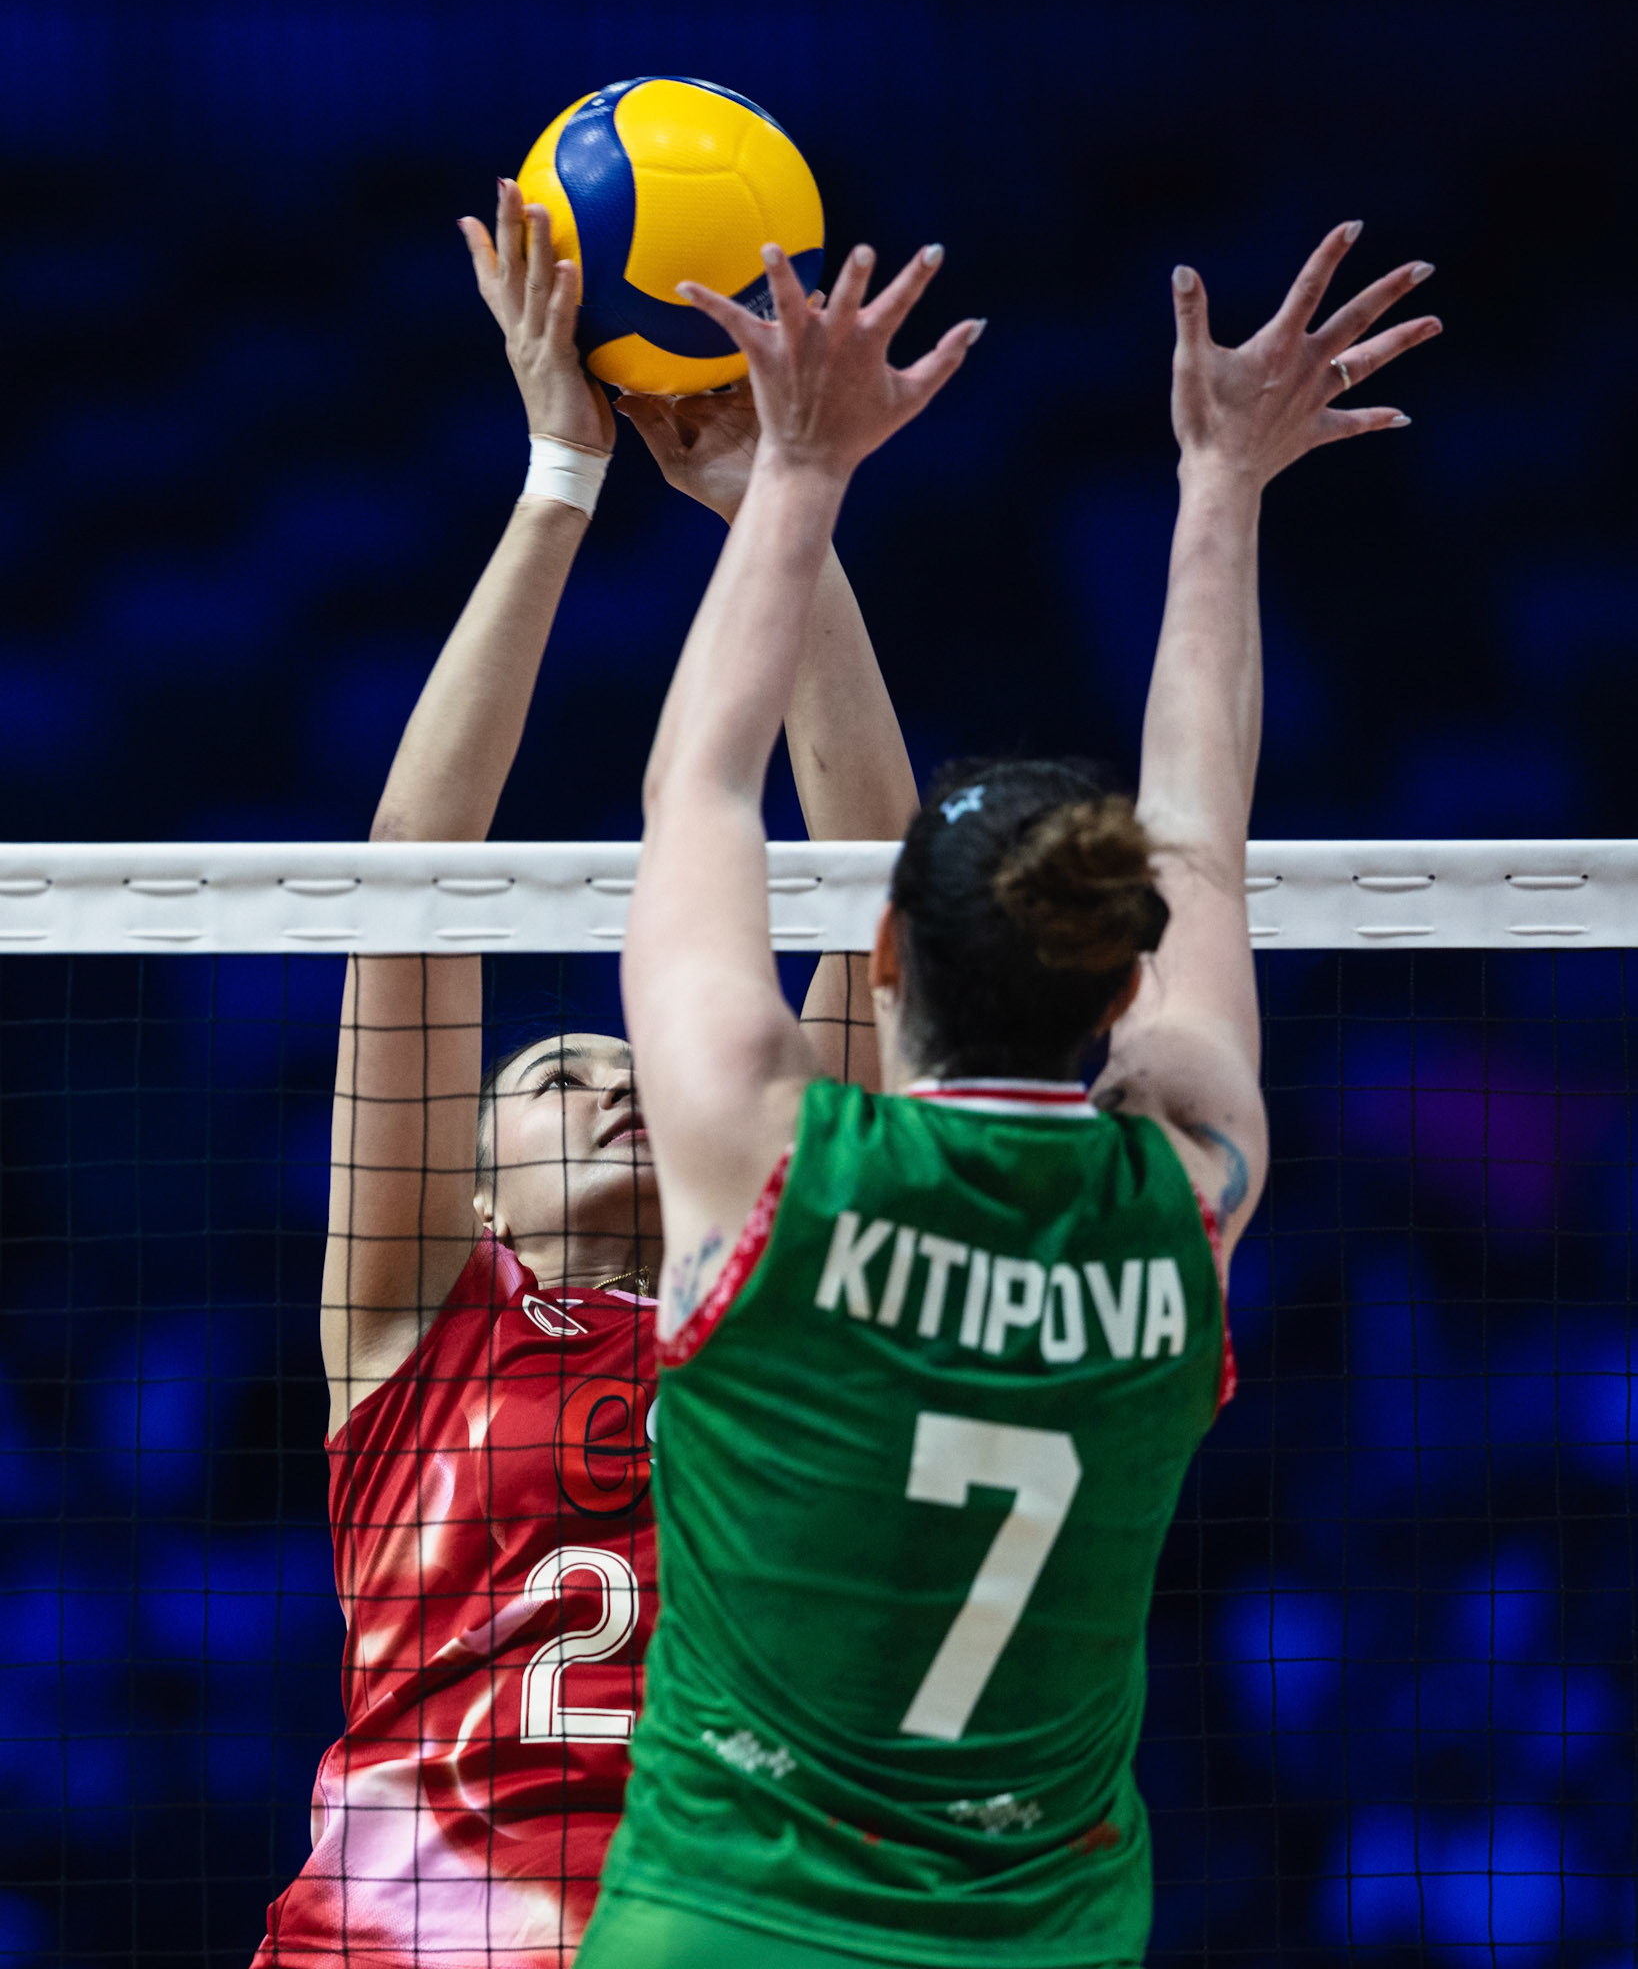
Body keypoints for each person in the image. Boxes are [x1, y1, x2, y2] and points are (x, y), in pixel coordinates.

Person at [579, 222, 1441, 1967]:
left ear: (880, 962)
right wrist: (1224, 487)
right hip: (1038, 1942)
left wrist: (799, 470)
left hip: (728, 1932)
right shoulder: (1184, 1191)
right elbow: (1199, 841)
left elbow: (695, 787)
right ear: (1127, 988)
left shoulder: (771, 1164)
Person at [254, 182, 921, 1968]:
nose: (616, 1078)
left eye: (625, 1057)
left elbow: (879, 905)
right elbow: (413, 879)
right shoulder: (415, 1327)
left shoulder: (787, 1299)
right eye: (553, 1072)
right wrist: (561, 474)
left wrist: (786, 498)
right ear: (466, 1185)